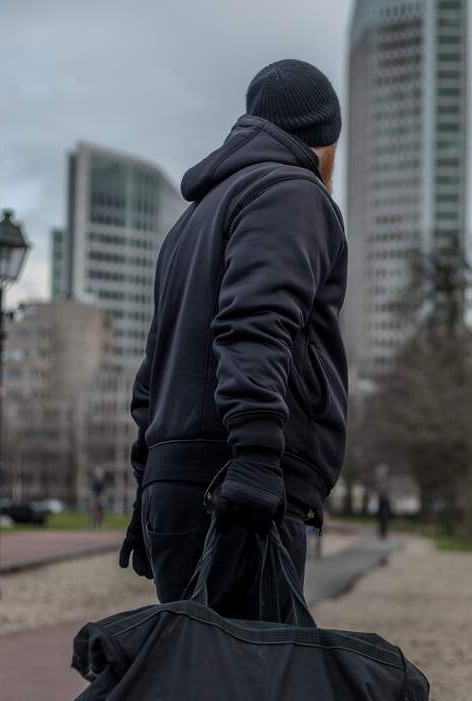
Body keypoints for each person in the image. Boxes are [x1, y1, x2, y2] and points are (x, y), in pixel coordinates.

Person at [117, 59, 348, 619]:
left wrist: (149, 481)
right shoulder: (291, 191)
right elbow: (257, 323)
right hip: (237, 483)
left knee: (197, 682)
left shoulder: (192, 221)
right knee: (249, 687)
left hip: (177, 483)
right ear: (324, 140)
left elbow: (154, 370)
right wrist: (258, 455)